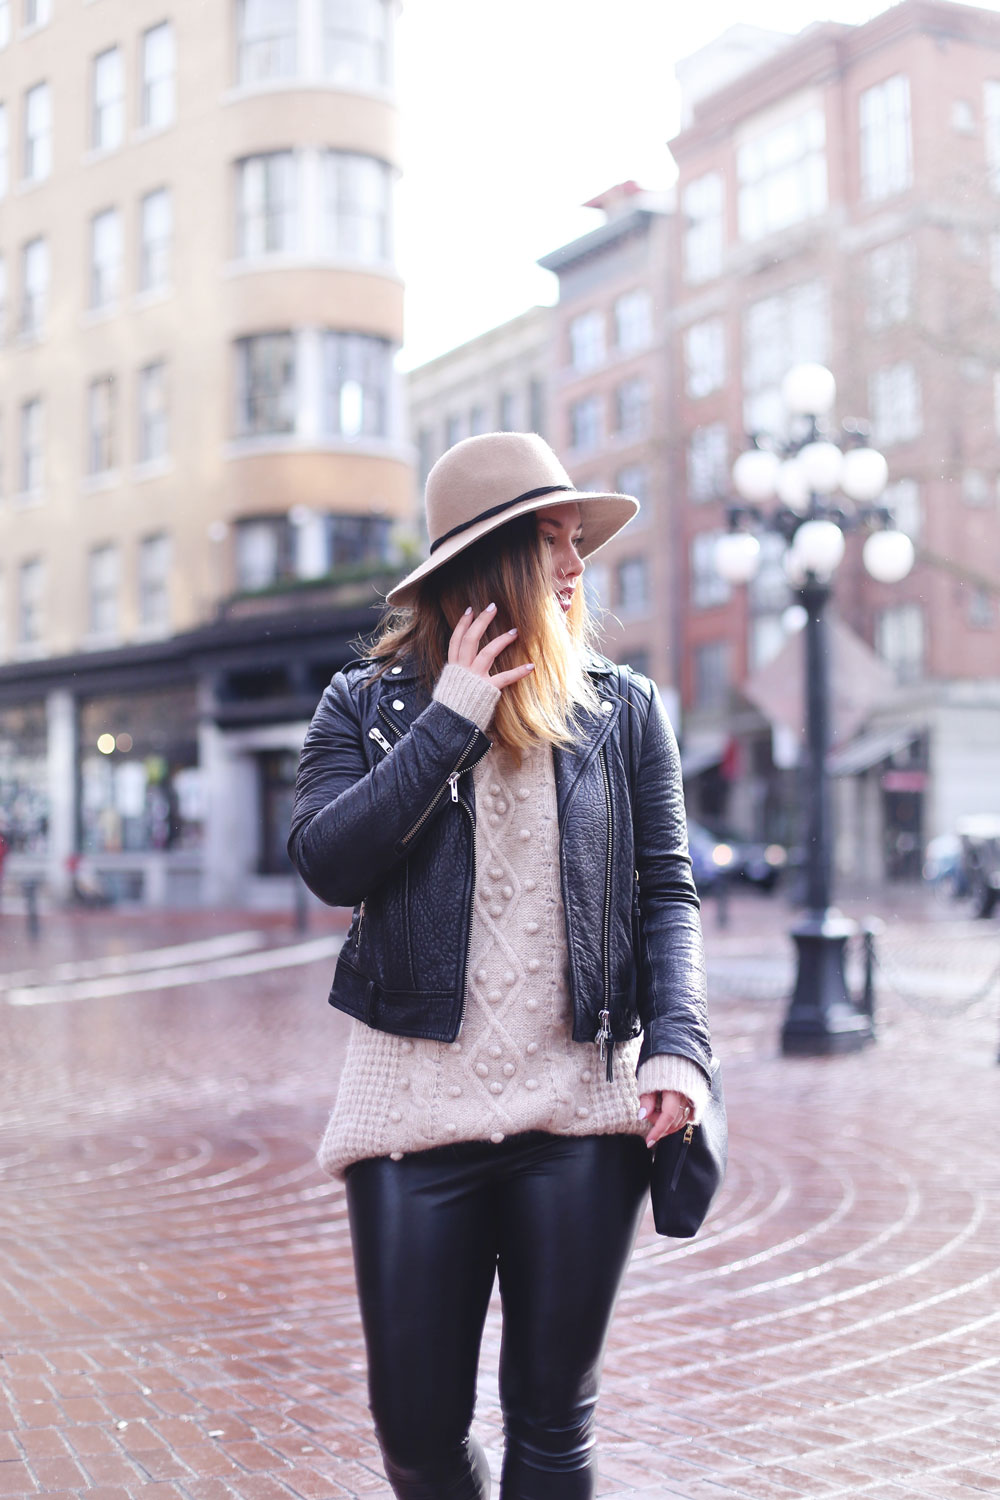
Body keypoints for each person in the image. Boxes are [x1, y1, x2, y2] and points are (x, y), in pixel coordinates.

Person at [288, 431, 713, 1500]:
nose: (577, 567)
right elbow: (328, 865)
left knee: (551, 1429)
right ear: (488, 562)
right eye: (553, 542)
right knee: (416, 1433)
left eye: (578, 543)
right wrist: (449, 723)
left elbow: (667, 891)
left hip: (580, 1109)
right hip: (410, 1117)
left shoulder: (622, 712)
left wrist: (679, 1047)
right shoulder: (365, 704)